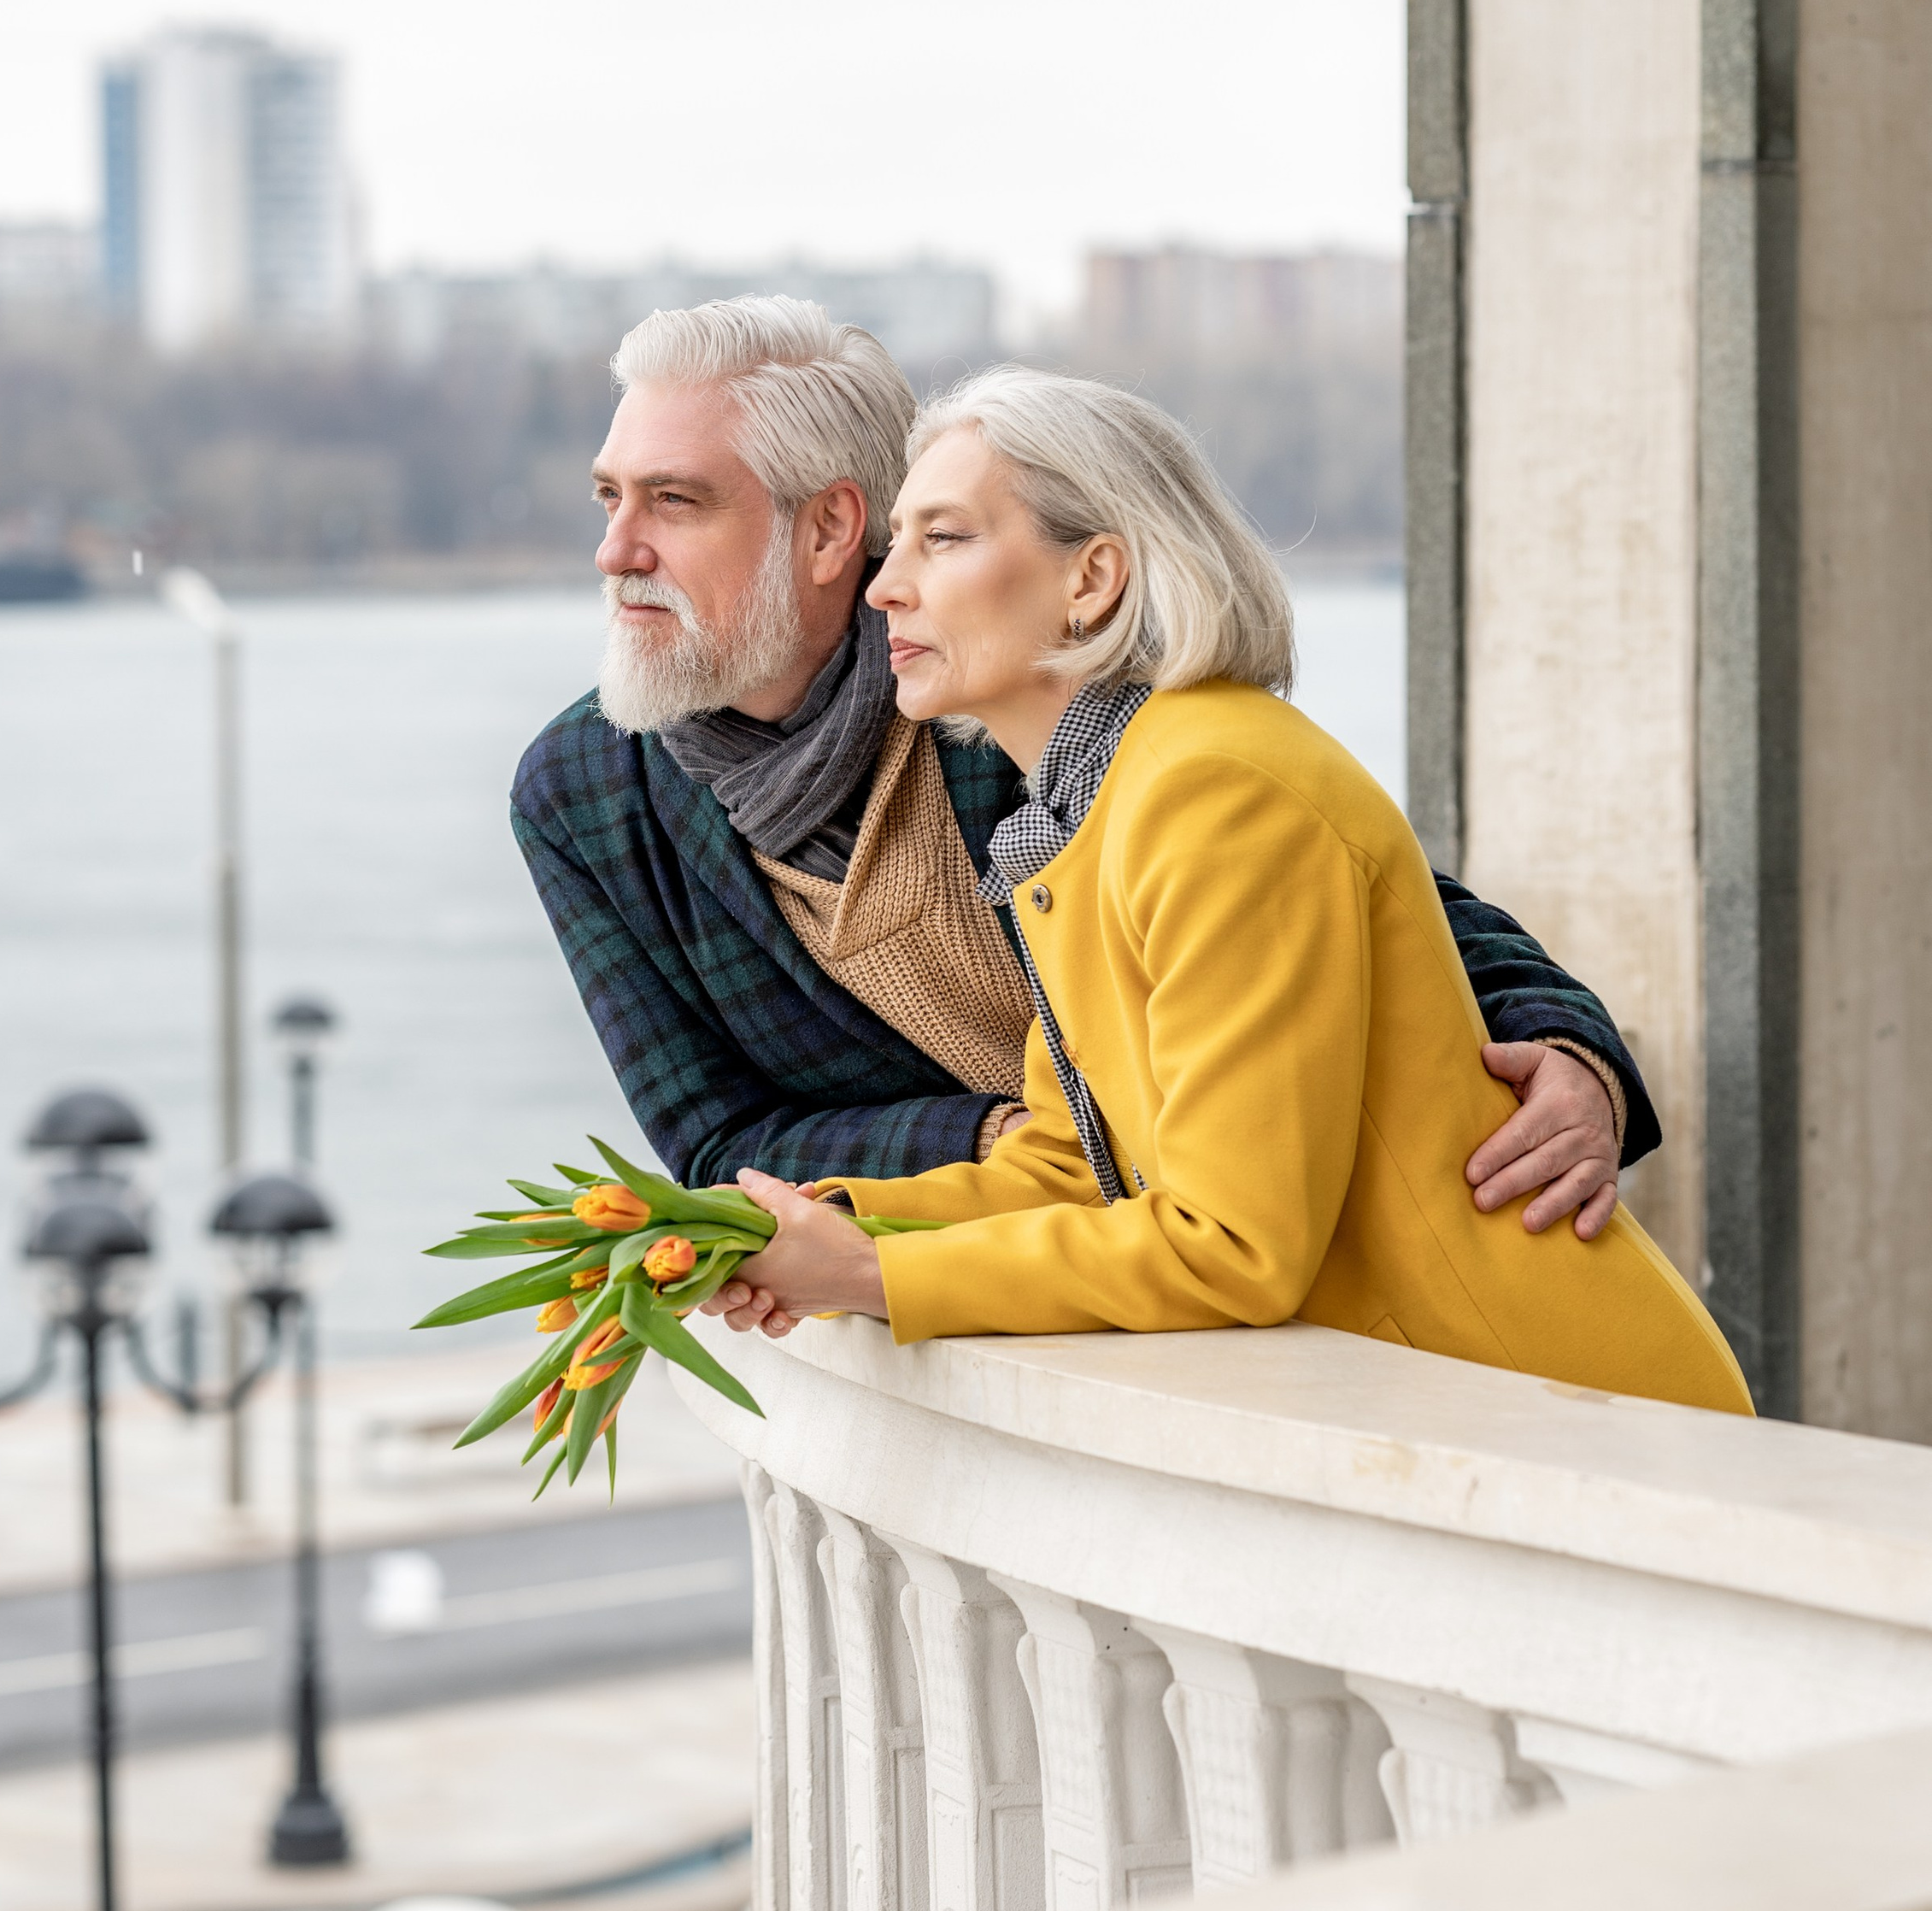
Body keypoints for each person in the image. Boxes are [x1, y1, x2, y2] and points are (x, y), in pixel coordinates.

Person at [705, 367, 1751, 1416]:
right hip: (1461, 1412)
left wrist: (867, 1277)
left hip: (1557, 1407)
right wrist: (808, 1223)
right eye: (901, 539)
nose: (887, 584)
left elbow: (1233, 1247)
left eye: (945, 536)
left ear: (1092, 578)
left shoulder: (1212, 789)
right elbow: (1078, 1167)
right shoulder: (1086, 810)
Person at [513, 296, 1649, 1236]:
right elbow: (717, 1144)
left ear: (826, 532)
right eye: (612, 497)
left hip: (1349, 1232)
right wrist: (1011, 1141)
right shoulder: (580, 797)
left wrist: (1571, 1052)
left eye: (676, 501)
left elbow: (1349, 884)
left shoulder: (1009, 671)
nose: (617, 551)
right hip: (1081, 1259)